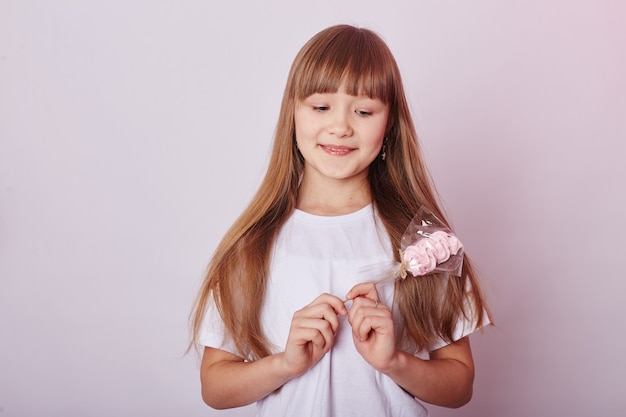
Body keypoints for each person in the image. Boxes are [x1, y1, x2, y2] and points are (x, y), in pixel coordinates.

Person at [189, 24, 491, 416]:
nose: (341, 126)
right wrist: (285, 363)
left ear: (389, 123)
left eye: (364, 111)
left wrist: (393, 361)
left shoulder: (422, 239)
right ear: (292, 113)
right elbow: (215, 387)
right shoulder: (255, 242)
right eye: (320, 107)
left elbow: (459, 386)